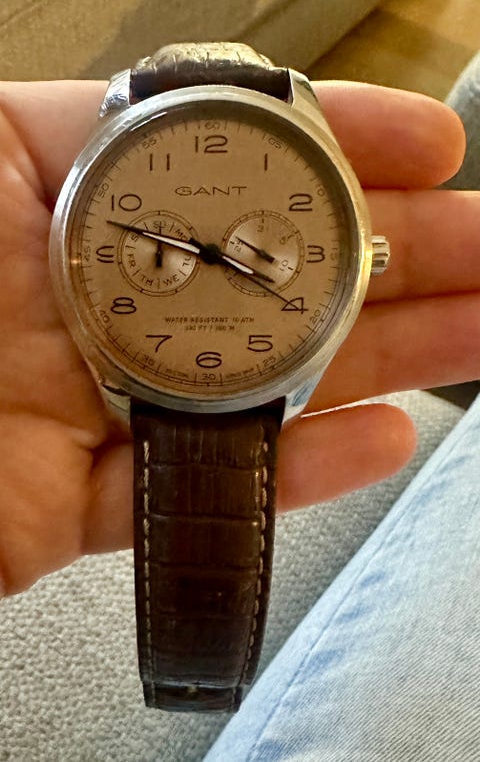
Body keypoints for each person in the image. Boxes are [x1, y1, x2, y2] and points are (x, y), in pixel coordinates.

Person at [0, 78, 479, 758]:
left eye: (222, 258)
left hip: (254, 374)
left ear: (361, 257)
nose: (208, 258)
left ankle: (197, 678)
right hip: (140, 369)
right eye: (187, 251)